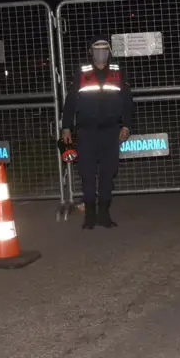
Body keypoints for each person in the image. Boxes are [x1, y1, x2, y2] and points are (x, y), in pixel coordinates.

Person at [61, 35, 134, 229]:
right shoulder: (81, 73)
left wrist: (127, 125)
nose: (101, 52)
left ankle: (104, 214)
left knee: (108, 174)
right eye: (97, 48)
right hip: (86, 132)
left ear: (109, 52)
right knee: (87, 174)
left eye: (104, 48)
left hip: (111, 132)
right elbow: (70, 102)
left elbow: (127, 101)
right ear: (90, 52)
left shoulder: (118, 73)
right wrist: (66, 126)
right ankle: (90, 216)